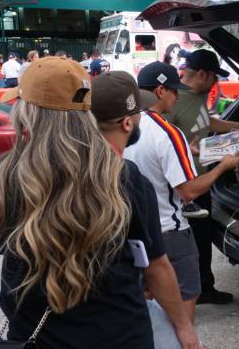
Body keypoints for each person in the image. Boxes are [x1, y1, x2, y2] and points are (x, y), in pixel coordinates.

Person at [0, 57, 181, 349]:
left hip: (35, 338)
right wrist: (185, 328)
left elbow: (7, 249)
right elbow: (155, 265)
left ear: (26, 112)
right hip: (120, 336)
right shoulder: (123, 177)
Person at [91, 71, 203, 349]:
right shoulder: (130, 178)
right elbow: (156, 265)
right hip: (168, 240)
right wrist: (185, 329)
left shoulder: (71, 163)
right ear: (127, 122)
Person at [124, 61, 239, 321]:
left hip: (134, 229)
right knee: (185, 301)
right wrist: (223, 166)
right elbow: (188, 192)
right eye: (174, 91)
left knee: (147, 300)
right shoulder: (168, 133)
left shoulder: (124, 127)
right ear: (160, 91)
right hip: (169, 230)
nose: (178, 96)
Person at [166, 49, 239, 305]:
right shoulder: (173, 99)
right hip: (186, 187)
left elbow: (207, 122)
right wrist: (189, 148)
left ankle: (205, 287)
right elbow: (163, 140)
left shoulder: (197, 97)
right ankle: (189, 296)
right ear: (202, 74)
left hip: (203, 180)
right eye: (215, 78)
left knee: (203, 235)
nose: (217, 84)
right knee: (190, 243)